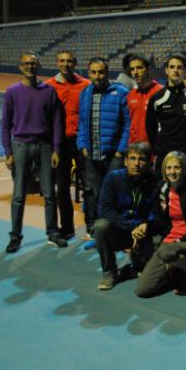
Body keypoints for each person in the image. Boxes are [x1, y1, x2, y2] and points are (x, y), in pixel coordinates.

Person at [1, 52, 65, 253]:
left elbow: (56, 122)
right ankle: (15, 236)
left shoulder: (49, 91)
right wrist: (8, 152)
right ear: (20, 67)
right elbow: (5, 125)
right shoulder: (12, 92)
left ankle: (52, 233)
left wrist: (56, 148)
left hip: (45, 147)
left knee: (49, 194)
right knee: (18, 195)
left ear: (38, 66)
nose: (30, 67)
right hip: (21, 146)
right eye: (26, 64)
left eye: (33, 64)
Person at [135, 151, 186, 297]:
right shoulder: (162, 188)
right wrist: (146, 225)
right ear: (164, 170)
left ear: (184, 169)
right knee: (142, 290)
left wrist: (179, 241)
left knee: (167, 252)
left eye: (177, 167)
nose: (172, 172)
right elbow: (157, 217)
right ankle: (175, 272)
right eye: (169, 168)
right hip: (169, 242)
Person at [77, 57, 131, 238]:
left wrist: (120, 151)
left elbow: (127, 124)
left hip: (113, 155)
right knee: (95, 194)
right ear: (89, 73)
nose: (97, 76)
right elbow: (82, 123)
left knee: (115, 194)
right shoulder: (85, 93)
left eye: (101, 72)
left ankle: (118, 232)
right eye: (93, 72)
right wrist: (83, 145)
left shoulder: (121, 92)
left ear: (107, 73)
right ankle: (98, 231)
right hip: (92, 154)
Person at [95, 142, 158, 291]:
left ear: (149, 163)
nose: (136, 163)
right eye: (133, 158)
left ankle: (139, 260)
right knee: (101, 226)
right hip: (120, 230)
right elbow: (105, 210)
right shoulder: (113, 178)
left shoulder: (155, 182)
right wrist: (132, 227)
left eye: (142, 159)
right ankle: (109, 272)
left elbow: (156, 212)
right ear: (125, 161)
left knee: (148, 269)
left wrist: (146, 226)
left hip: (143, 234)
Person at [44, 50, 90, 239]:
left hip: (81, 142)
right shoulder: (48, 86)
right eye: (62, 61)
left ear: (75, 63)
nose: (66, 64)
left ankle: (91, 225)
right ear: (57, 63)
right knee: (62, 188)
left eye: (69, 61)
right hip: (60, 143)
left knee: (89, 187)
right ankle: (68, 226)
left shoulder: (85, 85)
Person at [146, 54, 186, 177]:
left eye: (179, 67)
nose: (175, 70)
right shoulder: (157, 99)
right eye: (172, 67)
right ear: (166, 70)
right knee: (163, 191)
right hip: (164, 154)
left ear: (184, 71)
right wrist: (158, 148)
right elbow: (150, 127)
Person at [126, 55, 163, 145]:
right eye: (132, 69)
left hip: (153, 150)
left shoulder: (161, 92)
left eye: (139, 68)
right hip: (134, 149)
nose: (135, 72)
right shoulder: (131, 95)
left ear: (148, 70)